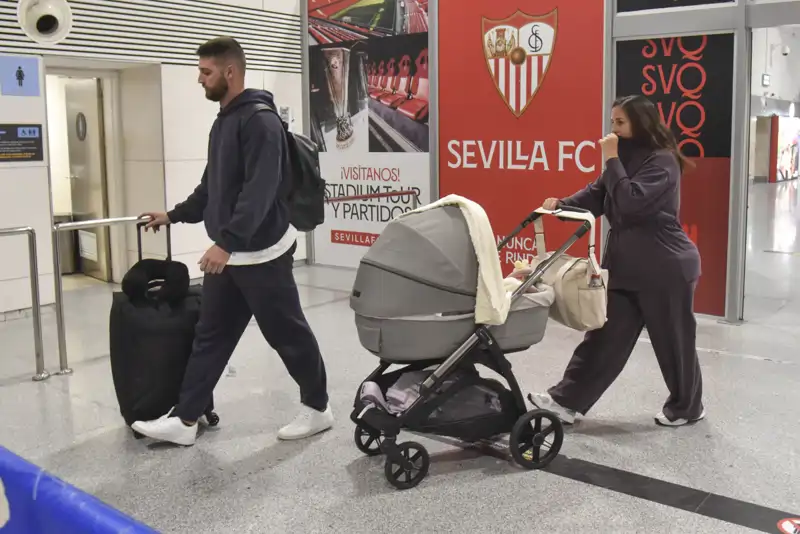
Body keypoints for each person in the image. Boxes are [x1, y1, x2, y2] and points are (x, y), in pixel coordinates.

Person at [132, 37, 333, 446]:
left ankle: (318, 408)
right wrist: (173, 215)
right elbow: (213, 187)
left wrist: (226, 242)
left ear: (230, 72)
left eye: (206, 72)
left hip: (261, 252)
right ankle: (185, 420)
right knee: (212, 335)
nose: (200, 80)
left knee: (287, 334)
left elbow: (259, 192)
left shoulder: (259, 121)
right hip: (233, 254)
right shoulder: (224, 120)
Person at [530, 94, 705, 428]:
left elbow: (629, 204)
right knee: (603, 336)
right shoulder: (621, 158)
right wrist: (561, 205)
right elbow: (597, 195)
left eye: (620, 122)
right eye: (612, 122)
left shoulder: (662, 161)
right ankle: (567, 400)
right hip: (626, 268)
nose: (613, 129)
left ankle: (688, 407)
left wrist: (611, 159)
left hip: (664, 268)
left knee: (673, 341)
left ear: (640, 123)